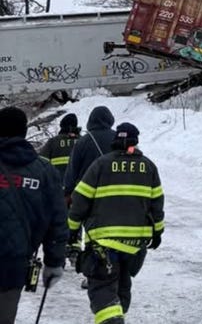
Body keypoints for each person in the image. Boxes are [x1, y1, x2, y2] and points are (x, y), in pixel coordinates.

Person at [68, 122, 164, 324]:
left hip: (104, 242)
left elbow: (80, 200)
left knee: (103, 287)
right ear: (135, 142)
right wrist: (158, 232)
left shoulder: (101, 165)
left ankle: (112, 320)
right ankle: (117, 314)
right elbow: (157, 203)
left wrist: (72, 230)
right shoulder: (148, 166)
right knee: (122, 282)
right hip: (135, 245)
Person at [0, 106, 68, 324]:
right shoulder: (45, 171)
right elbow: (57, 221)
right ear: (24, 132)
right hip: (14, 266)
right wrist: (54, 262)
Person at [63, 106, 116, 201]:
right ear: (110, 120)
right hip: (115, 192)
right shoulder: (119, 139)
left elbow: (72, 169)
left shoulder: (83, 141)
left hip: (88, 194)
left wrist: (68, 192)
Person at [38, 113, 82, 180]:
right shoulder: (83, 141)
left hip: (56, 184)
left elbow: (40, 164)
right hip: (80, 186)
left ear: (62, 126)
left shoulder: (53, 142)